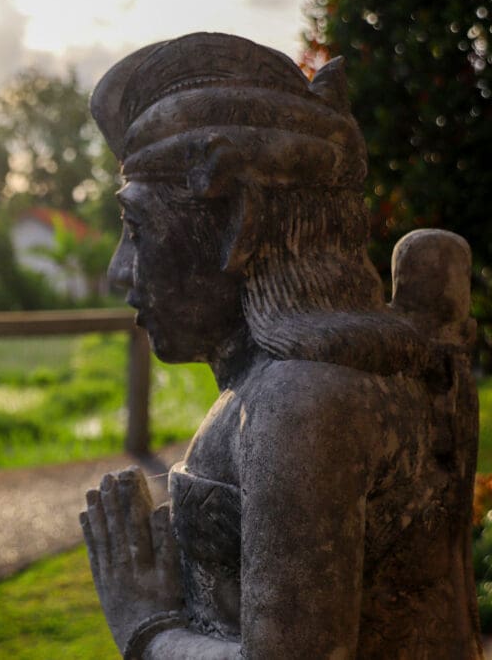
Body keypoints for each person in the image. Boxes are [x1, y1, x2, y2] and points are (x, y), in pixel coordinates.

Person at [81, 32, 482, 659]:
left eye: (136, 228)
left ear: (237, 220)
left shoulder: (298, 402)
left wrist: (144, 623)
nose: (121, 271)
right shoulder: (311, 384)